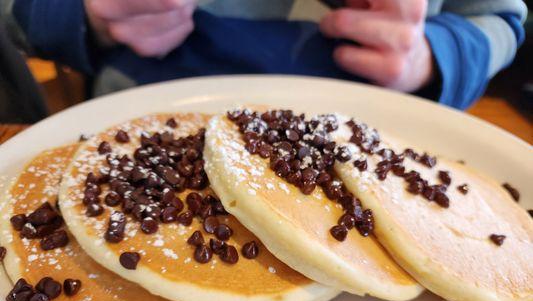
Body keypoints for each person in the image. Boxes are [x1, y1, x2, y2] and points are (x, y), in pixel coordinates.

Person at [0, 0, 527, 110]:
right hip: (140, 111)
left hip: (374, 129)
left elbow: (503, 18)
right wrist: (78, 14)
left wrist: (434, 55)